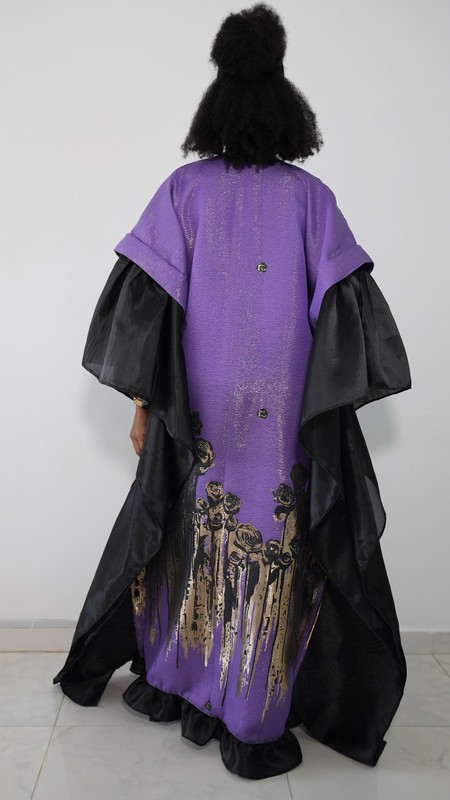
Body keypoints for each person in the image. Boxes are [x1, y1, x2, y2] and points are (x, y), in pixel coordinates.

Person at [53, 3, 412, 780]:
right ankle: (254, 710)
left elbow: (148, 317)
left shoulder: (183, 192)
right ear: (285, 102)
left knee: (195, 530)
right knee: (272, 542)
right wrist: (326, 420)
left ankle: (185, 682)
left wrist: (144, 407)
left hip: (203, 402)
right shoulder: (311, 200)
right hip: (281, 408)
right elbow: (348, 322)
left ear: (217, 99)